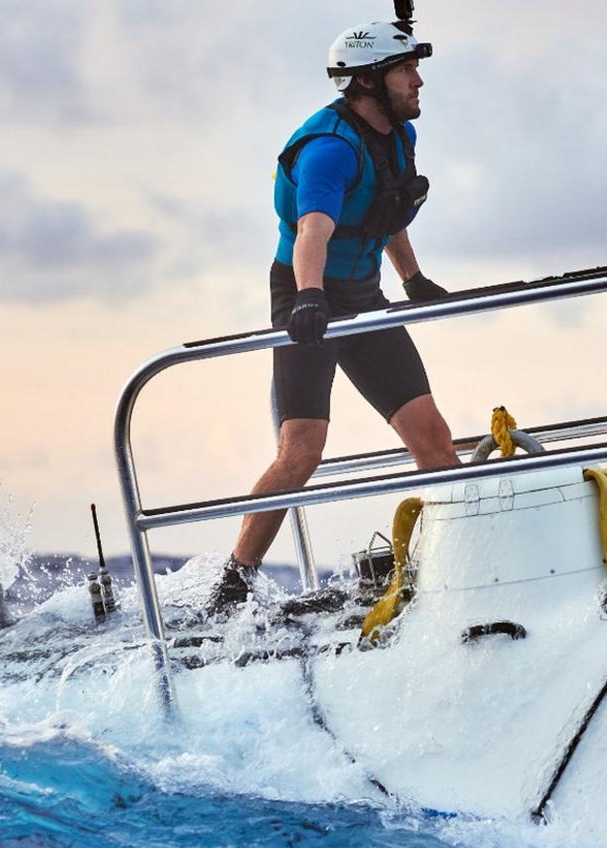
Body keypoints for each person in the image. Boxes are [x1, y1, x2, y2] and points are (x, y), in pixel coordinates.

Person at [207, 17, 461, 613]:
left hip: (362, 293)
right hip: (303, 292)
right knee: (302, 450)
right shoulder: (329, 149)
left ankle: (460, 568)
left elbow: (386, 208)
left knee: (434, 439)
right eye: (406, 71)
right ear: (371, 81)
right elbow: (311, 234)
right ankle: (233, 587)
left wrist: (413, 279)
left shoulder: (397, 134)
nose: (418, 81)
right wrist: (311, 299)